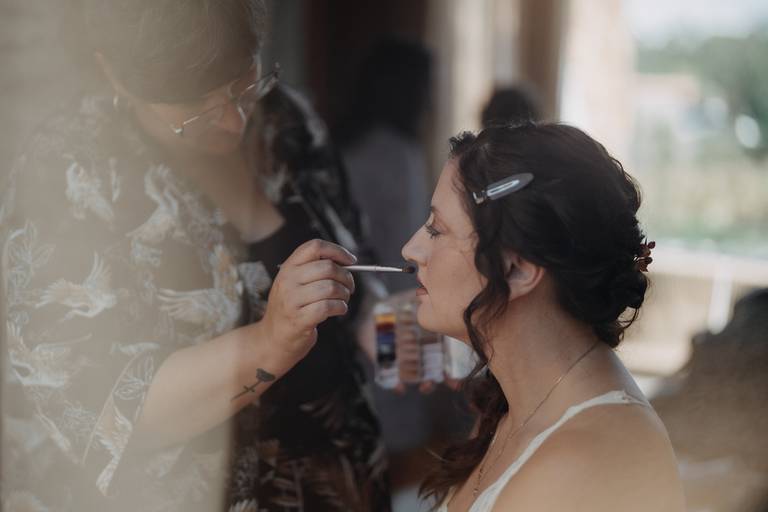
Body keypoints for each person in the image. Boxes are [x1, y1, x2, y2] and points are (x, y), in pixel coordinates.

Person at [1, 1, 389, 511]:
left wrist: (373, 319)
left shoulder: (287, 122)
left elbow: (348, 248)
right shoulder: (67, 176)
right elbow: (98, 411)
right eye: (197, 110)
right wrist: (269, 341)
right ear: (115, 75)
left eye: (242, 84)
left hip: (343, 481)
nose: (234, 120)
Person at [401, 123, 685, 511]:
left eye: (437, 229)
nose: (411, 249)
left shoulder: (586, 461)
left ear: (518, 270)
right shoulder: (511, 404)